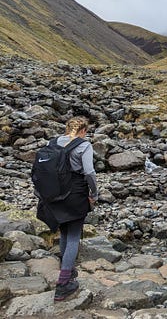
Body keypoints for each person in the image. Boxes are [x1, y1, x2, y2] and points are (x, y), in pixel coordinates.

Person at [36, 116, 98, 301]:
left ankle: (68, 271)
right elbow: (89, 172)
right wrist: (94, 194)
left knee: (64, 232)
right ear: (83, 131)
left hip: (54, 195)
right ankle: (63, 285)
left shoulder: (52, 143)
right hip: (75, 195)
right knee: (73, 235)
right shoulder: (84, 145)